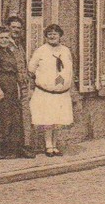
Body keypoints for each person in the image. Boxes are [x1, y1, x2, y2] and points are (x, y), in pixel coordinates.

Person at [0, 23, 33, 158]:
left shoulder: (9, 51)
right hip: (0, 89)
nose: (4, 40)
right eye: (1, 38)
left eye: (6, 38)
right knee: (1, 119)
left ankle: (12, 149)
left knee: (13, 117)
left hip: (11, 87)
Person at [28, 23, 75, 157]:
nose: (52, 36)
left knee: (57, 120)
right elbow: (31, 69)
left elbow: (70, 69)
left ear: (60, 36)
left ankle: (55, 145)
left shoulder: (66, 51)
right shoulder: (41, 51)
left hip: (61, 93)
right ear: (46, 37)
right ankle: (48, 146)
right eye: (49, 34)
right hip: (45, 93)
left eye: (55, 34)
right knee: (47, 119)